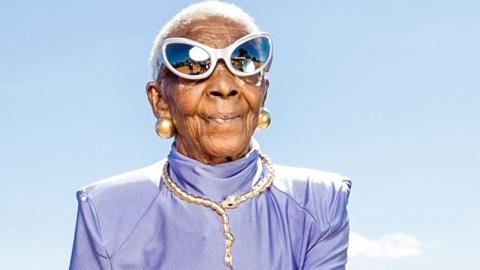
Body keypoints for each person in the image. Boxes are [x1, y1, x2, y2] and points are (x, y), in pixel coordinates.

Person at [68, 1, 352, 269]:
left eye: (245, 60)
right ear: (160, 101)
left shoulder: (319, 200)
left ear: (263, 92)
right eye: (192, 65)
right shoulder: (106, 209)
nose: (224, 86)